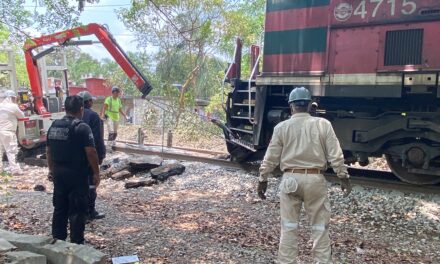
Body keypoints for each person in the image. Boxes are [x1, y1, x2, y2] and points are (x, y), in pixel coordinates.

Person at [257, 87, 352, 264]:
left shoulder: (281, 127)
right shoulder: (323, 124)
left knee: (288, 228)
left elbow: (270, 158)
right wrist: (343, 176)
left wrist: (263, 179)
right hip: (315, 179)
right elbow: (335, 154)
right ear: (310, 105)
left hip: (290, 180)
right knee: (319, 228)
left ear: (291, 106)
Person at [46, 96, 100, 244]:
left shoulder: (54, 126)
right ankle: (76, 243)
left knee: (60, 207)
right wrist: (96, 173)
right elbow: (91, 152)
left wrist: (51, 169)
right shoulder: (82, 127)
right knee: (77, 209)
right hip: (76, 174)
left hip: (58, 172)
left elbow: (49, 151)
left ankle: (58, 240)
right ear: (81, 109)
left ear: (65, 108)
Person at [77, 91, 106, 221]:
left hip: (75, 157)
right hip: (89, 156)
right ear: (89, 102)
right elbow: (97, 139)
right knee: (91, 183)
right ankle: (90, 211)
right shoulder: (94, 116)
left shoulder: (73, 115)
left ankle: (79, 212)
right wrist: (101, 155)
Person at [0, 90, 25, 175]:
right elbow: (22, 116)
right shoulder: (13, 106)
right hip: (8, 132)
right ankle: (15, 170)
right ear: (11, 97)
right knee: (11, 151)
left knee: (0, 151)